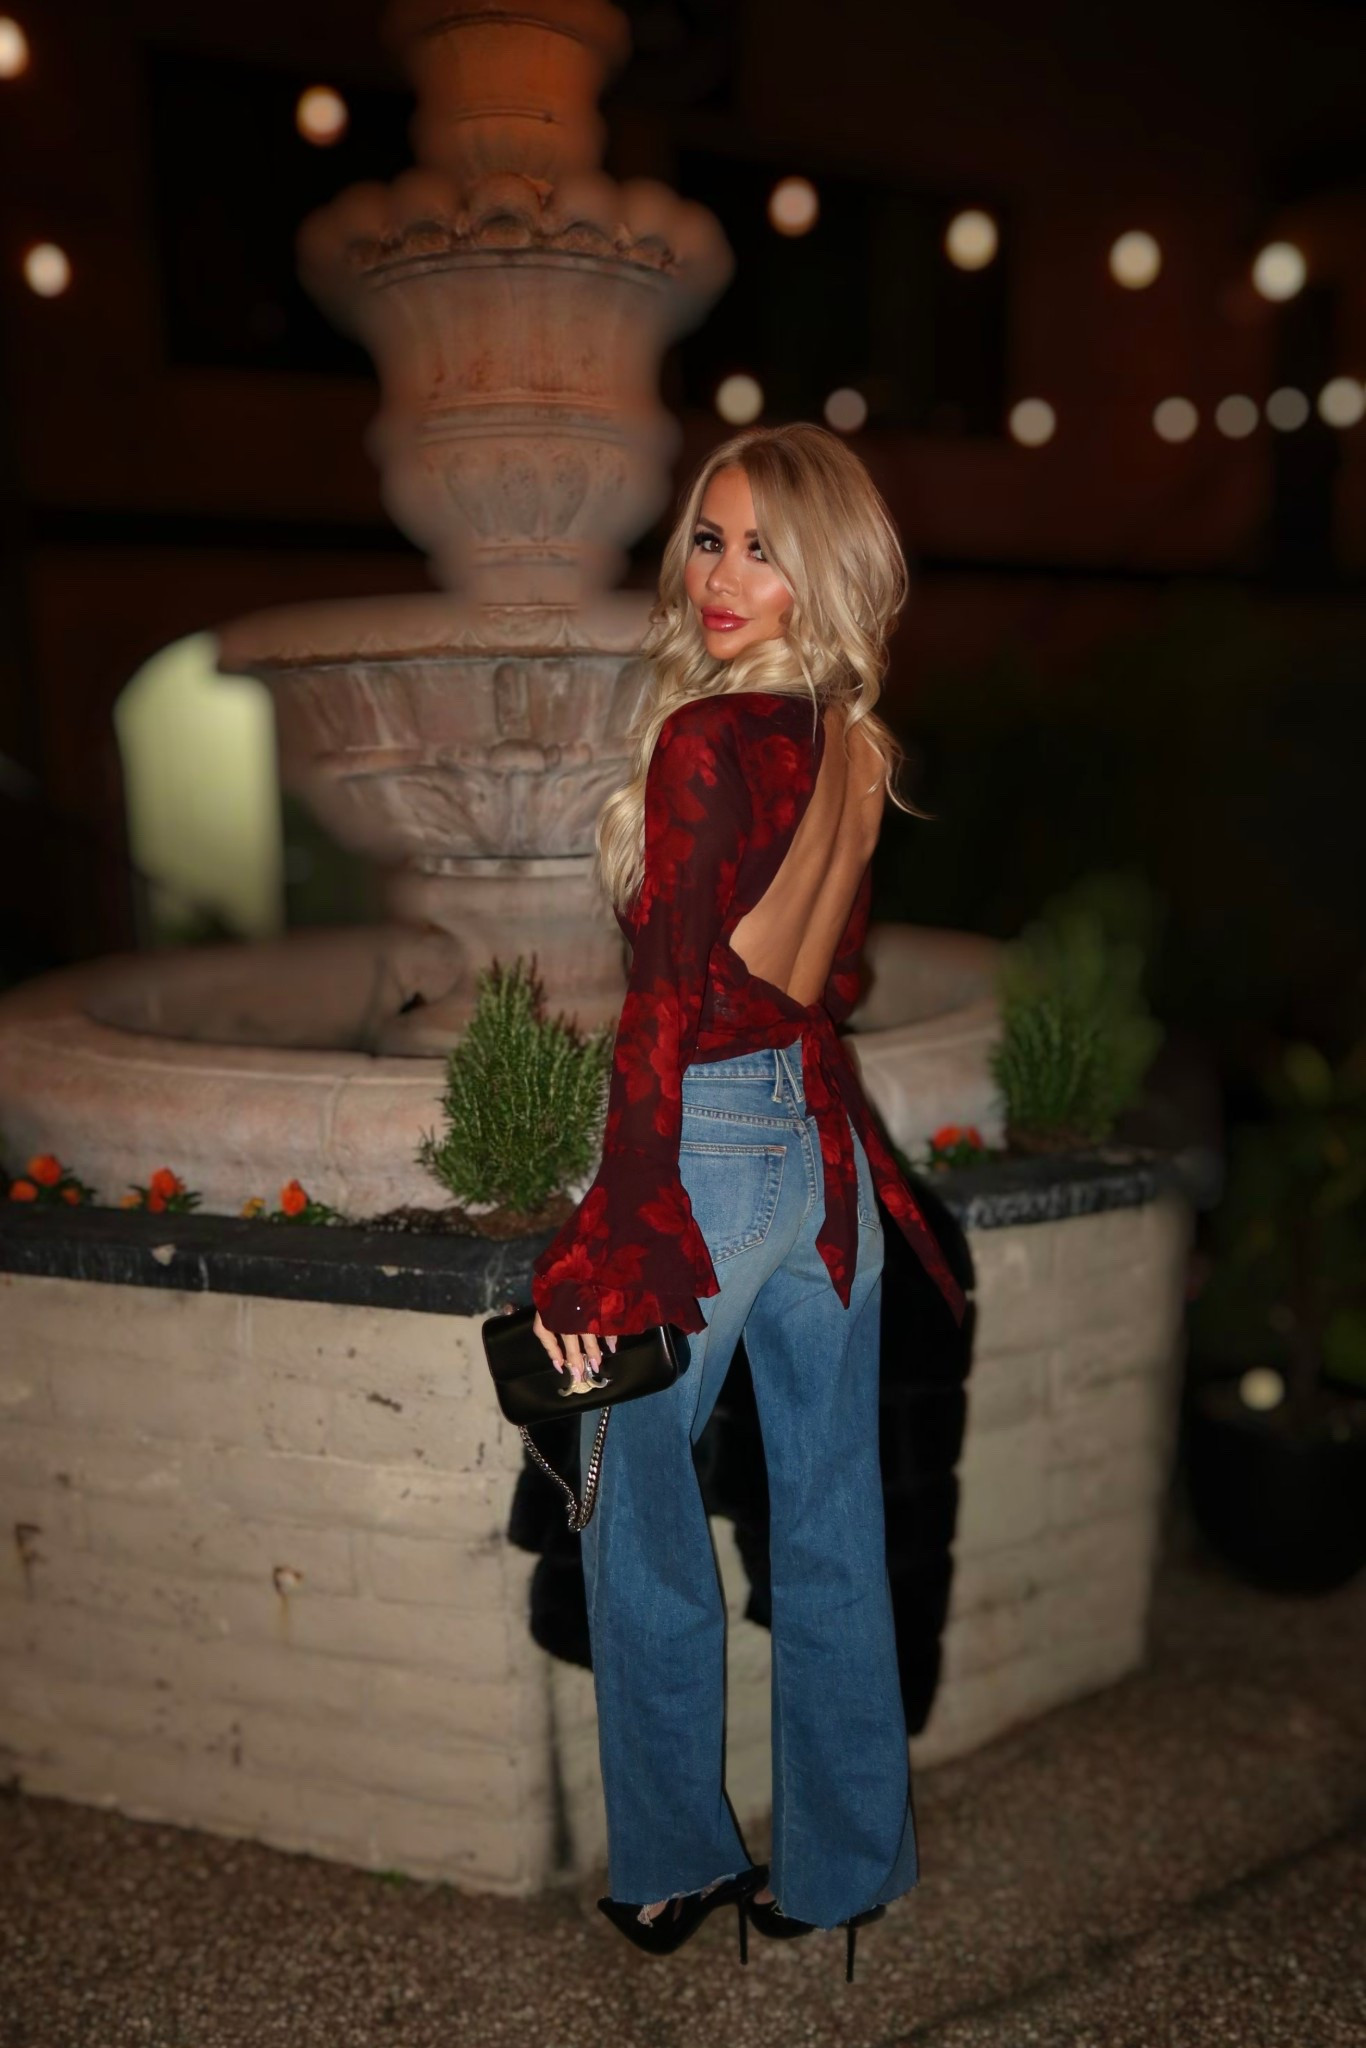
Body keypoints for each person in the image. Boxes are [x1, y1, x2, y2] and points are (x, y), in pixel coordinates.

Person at [529, 421, 965, 1979]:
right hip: (820, 1161)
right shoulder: (853, 737)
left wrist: (605, 1246)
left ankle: (674, 1864)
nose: (722, 575)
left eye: (761, 545)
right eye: (708, 538)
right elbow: (821, 979)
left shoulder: (708, 747)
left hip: (705, 1164)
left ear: (823, 565)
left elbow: (660, 1014)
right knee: (830, 1520)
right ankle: (845, 1867)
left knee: (635, 1523)